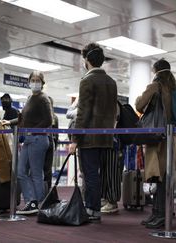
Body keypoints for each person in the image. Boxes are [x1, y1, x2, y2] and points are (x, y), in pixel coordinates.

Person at [68, 43, 118, 221]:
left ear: (87, 60)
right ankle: (95, 207)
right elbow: (114, 112)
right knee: (98, 174)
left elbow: (83, 112)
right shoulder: (111, 82)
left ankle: (92, 209)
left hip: (89, 138)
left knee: (90, 175)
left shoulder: (87, 80)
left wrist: (75, 139)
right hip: (106, 138)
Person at [135, 59, 176, 228]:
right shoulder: (174, 89)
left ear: (155, 70)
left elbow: (139, 105)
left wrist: (140, 96)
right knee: (165, 176)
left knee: (157, 176)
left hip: (156, 137)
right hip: (170, 137)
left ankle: (159, 215)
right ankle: (160, 214)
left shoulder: (155, 86)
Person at [3, 71, 52, 215]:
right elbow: (23, 117)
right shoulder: (31, 97)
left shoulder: (44, 98)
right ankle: (32, 201)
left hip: (38, 139)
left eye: (38, 80)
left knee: (36, 173)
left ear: (42, 83)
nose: (35, 82)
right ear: (29, 81)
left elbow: (48, 120)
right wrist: (10, 122)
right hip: (30, 139)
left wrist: (32, 130)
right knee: (20, 172)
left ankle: (39, 204)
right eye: (33, 80)